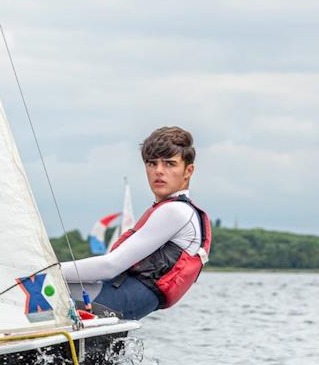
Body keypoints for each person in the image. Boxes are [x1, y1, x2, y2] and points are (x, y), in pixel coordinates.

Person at [62, 126, 211, 320]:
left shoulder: (175, 211)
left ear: (188, 171)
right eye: (152, 163)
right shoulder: (178, 211)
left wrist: (41, 271)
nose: (159, 171)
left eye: (169, 164)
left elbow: (110, 266)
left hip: (110, 303)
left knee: (33, 284)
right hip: (115, 303)